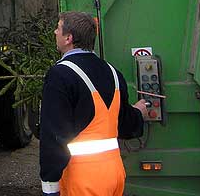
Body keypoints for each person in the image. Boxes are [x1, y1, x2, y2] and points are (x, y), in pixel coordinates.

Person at [39, 11, 148, 196]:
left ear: (69, 38)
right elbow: (124, 125)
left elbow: (54, 135)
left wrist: (50, 186)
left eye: (58, 28)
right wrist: (139, 113)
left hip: (81, 179)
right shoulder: (113, 73)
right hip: (114, 175)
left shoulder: (60, 75)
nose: (54, 32)